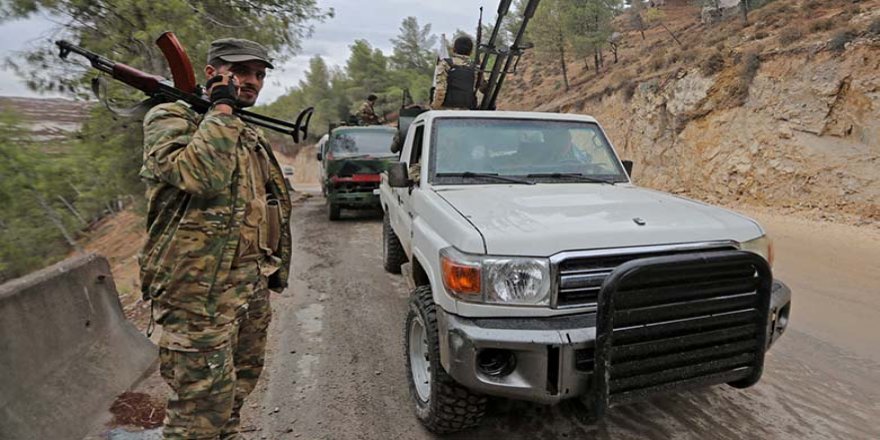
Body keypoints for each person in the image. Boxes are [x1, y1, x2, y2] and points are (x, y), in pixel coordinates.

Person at [139, 38, 292, 440]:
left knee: (233, 397)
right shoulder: (171, 119)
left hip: (246, 286)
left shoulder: (241, 129)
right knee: (199, 413)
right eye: (241, 72)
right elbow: (201, 177)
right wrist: (221, 107)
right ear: (212, 74)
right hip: (194, 294)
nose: (252, 82)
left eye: (259, 75)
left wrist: (268, 270)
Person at [431, 36, 485, 110]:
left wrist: (435, 107)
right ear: (471, 51)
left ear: (454, 49)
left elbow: (440, 91)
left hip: (445, 112)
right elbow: (482, 89)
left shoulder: (445, 64)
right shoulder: (476, 67)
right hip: (468, 112)